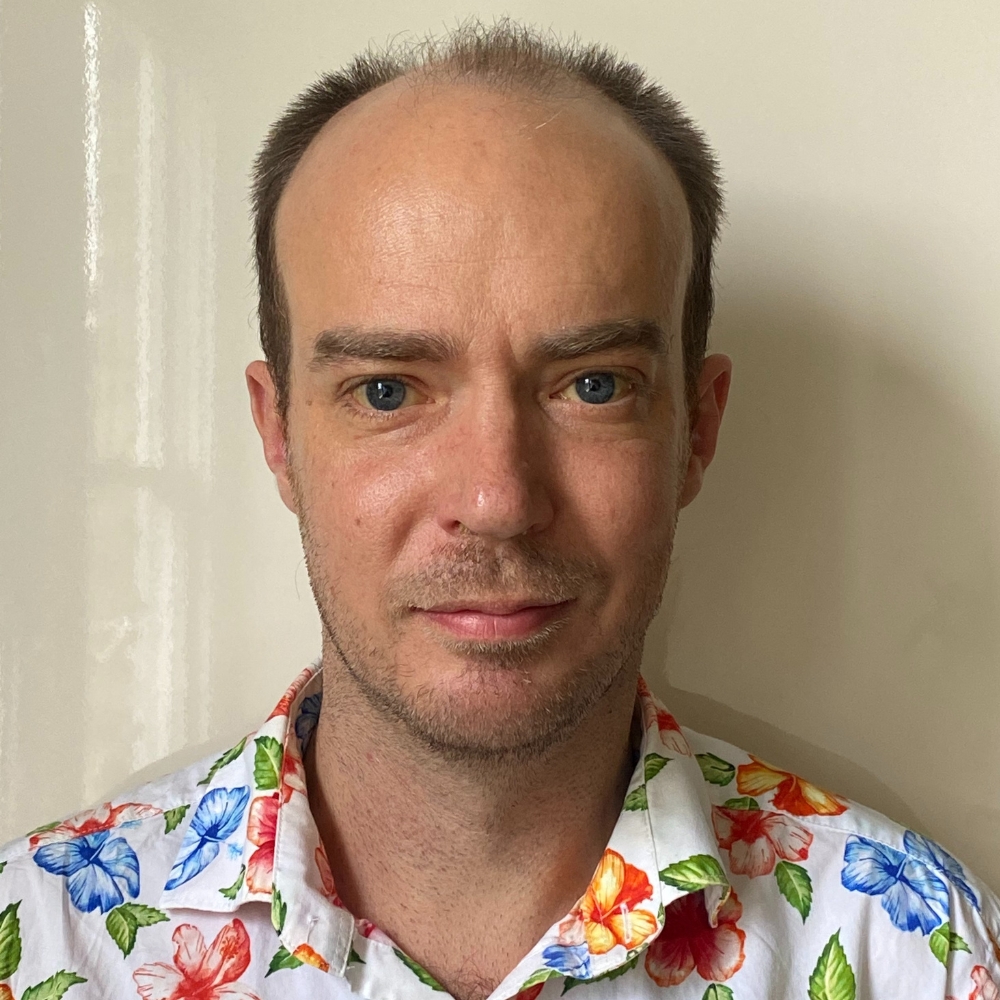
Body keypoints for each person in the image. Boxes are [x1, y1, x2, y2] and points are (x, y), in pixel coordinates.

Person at [1, 19, 997, 1000]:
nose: (497, 500)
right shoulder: (40, 946)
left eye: (593, 386)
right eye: (388, 390)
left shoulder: (915, 951)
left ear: (696, 428)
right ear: (278, 435)